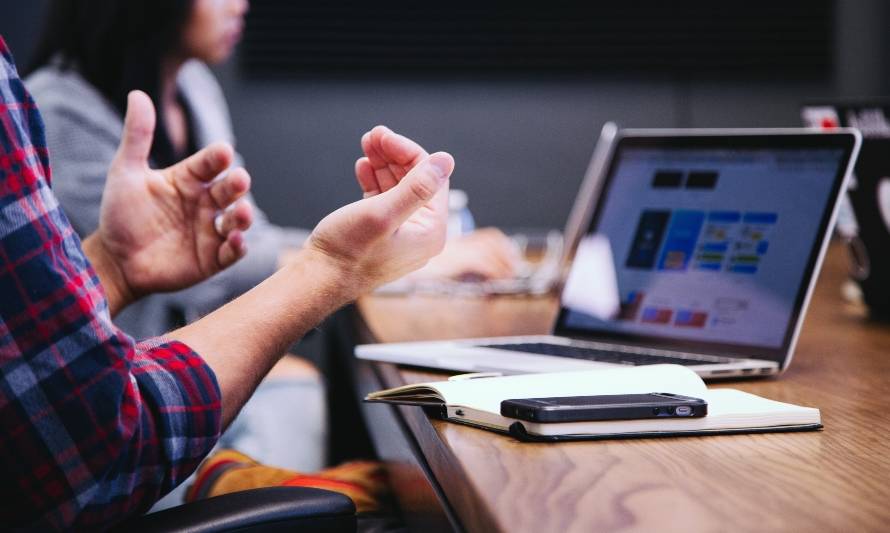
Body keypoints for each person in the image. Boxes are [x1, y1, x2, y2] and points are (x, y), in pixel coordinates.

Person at [0, 33, 455, 529]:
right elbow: (98, 445)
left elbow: (26, 348)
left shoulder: (194, 86)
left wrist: (111, 266)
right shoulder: (55, 104)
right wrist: (333, 268)